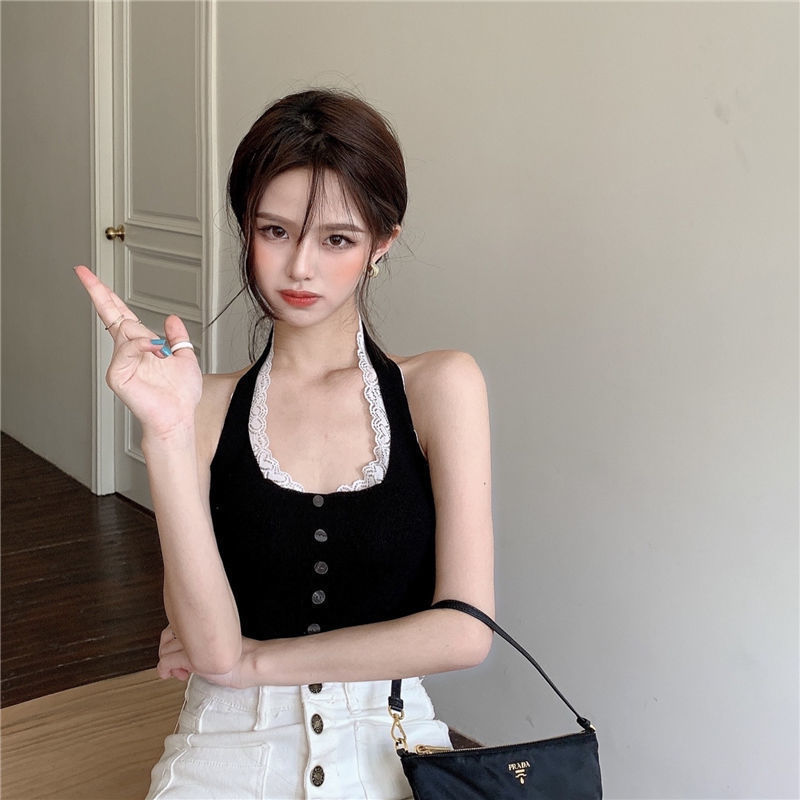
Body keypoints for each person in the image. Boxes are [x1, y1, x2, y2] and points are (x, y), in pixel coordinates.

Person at [75, 88, 494, 800]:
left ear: (381, 244)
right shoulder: (201, 406)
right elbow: (210, 648)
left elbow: (465, 631)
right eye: (275, 231)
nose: (300, 267)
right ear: (246, 228)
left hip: (391, 735)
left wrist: (256, 661)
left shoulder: (440, 387)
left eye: (337, 239)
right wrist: (167, 434)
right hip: (228, 738)